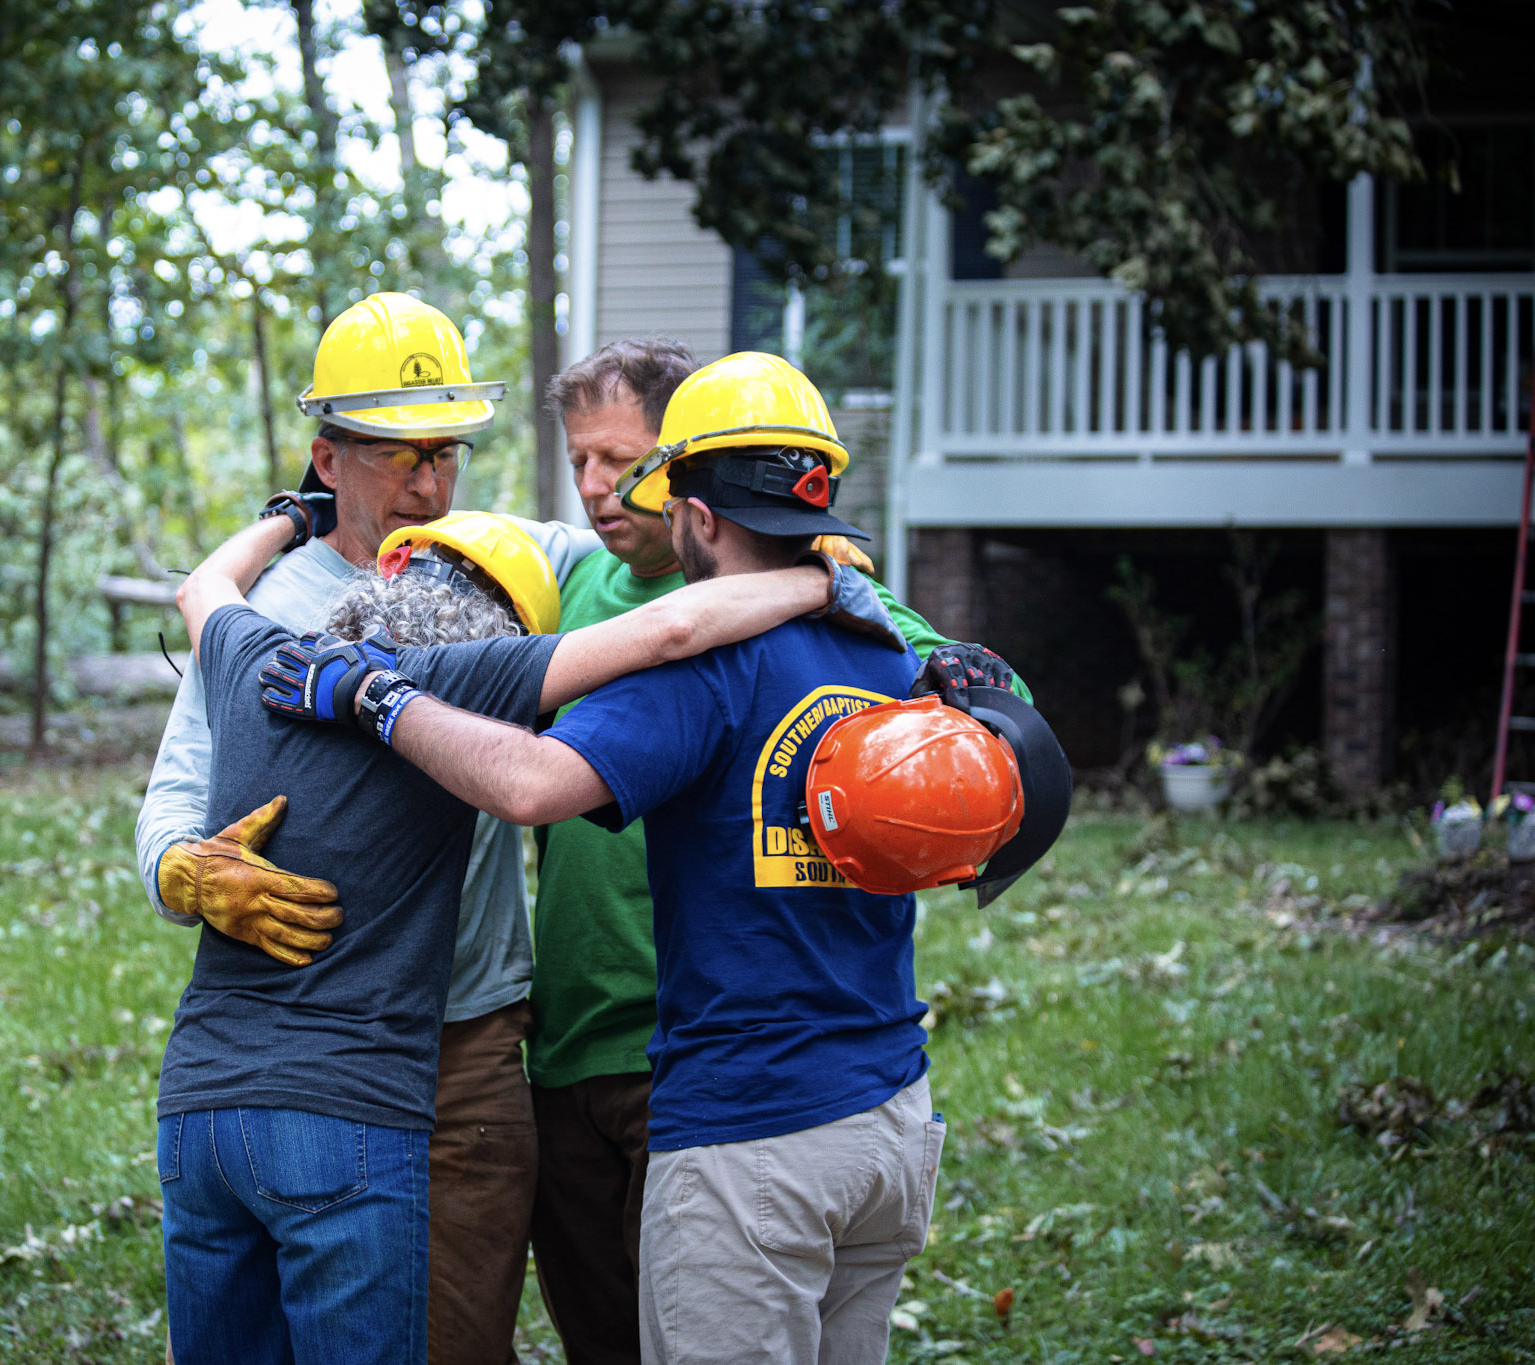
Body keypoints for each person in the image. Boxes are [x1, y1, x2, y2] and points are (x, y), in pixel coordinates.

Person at [258, 352, 1016, 1365]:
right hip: (886, 1120)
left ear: (695, 515)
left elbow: (528, 784)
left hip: (753, 1139)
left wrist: (373, 698)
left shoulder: (703, 668)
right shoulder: (892, 658)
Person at [159, 500, 902, 1363]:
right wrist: (819, 576)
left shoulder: (261, 653)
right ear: (507, 622)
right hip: (346, 1110)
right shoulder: (464, 677)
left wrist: (290, 519)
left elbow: (203, 585)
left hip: (197, 1108)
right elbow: (671, 630)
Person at [526, 339, 1027, 1365]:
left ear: (687, 486)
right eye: (575, 460)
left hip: (717, 1069)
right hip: (573, 1042)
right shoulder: (562, 583)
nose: (593, 488)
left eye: (621, 464)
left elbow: (984, 725)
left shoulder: (858, 617)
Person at [134, 291, 598, 1362]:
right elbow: (173, 793)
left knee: (451, 1339)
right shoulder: (271, 608)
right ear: (326, 458)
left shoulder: (507, 564)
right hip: (300, 1044)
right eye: (397, 454)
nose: (429, 483)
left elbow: (640, 558)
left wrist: (800, 561)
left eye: (446, 453)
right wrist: (185, 876)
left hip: (465, 1040)